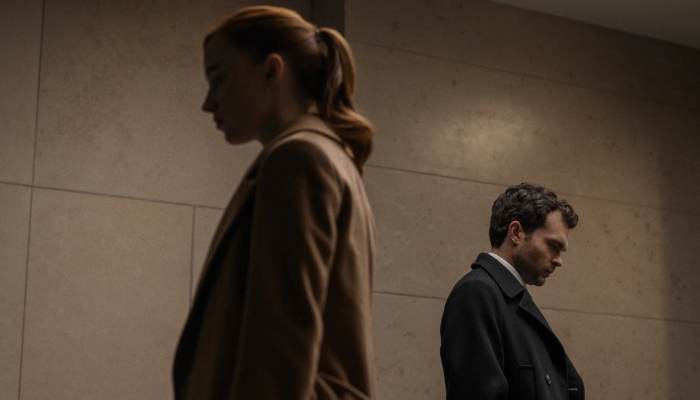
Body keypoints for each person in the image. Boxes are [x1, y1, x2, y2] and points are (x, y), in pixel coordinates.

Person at [172, 6, 376, 399]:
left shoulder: (298, 159)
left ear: (271, 71)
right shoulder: (329, 156)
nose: (208, 103)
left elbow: (280, 349)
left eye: (219, 78)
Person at [440, 183, 585, 400]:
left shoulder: (507, 298)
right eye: (553, 246)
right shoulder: (477, 293)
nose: (558, 261)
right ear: (516, 233)